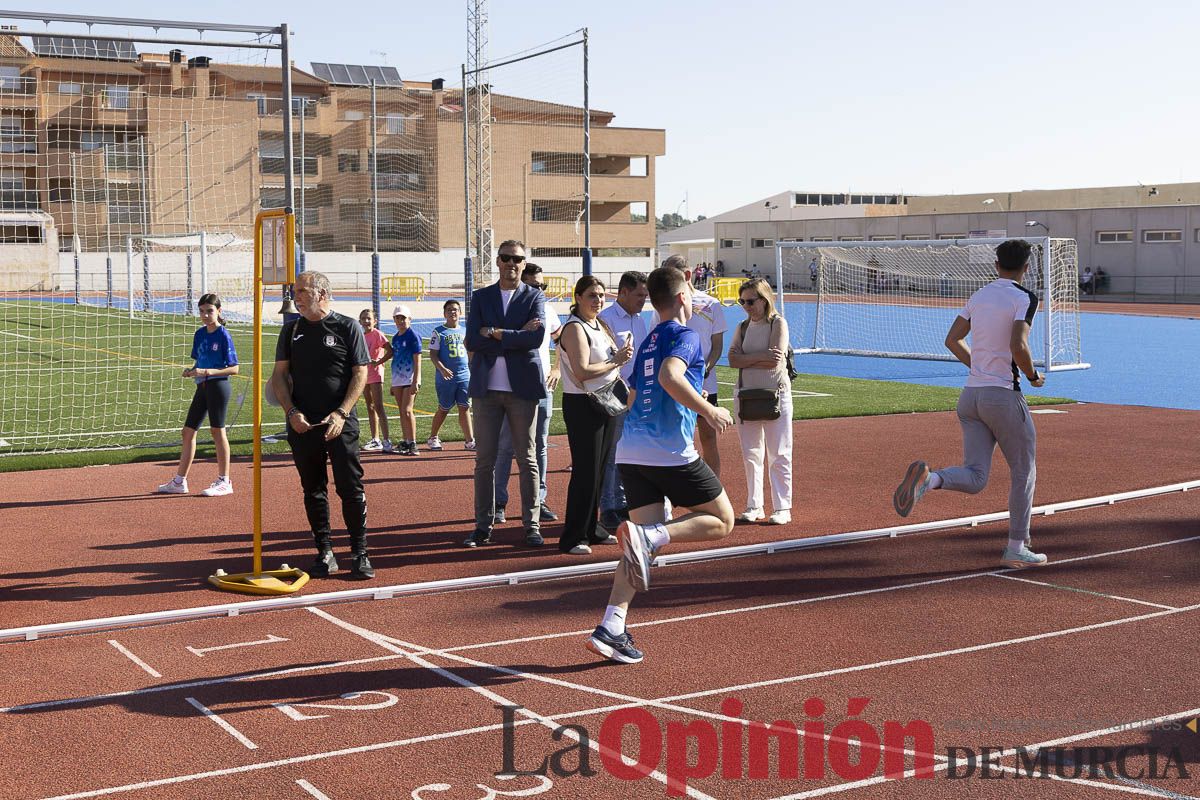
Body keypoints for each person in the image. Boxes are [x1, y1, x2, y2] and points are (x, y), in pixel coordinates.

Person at [585, 265, 736, 664]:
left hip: (631, 452)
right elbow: (671, 378)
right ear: (684, 297)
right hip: (667, 451)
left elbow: (632, 396)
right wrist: (708, 409)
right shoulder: (685, 336)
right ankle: (650, 537)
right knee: (722, 520)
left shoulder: (650, 339)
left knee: (638, 548)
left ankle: (611, 625)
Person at [893, 239, 1048, 569]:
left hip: (970, 397)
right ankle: (1016, 546)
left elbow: (952, 340)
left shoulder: (979, 295)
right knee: (1024, 471)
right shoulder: (1025, 298)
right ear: (1027, 267)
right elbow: (1018, 345)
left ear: (996, 264)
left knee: (976, 477)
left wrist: (977, 367)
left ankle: (930, 480)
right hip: (1003, 397)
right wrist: (1033, 376)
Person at [269, 271, 373, 579]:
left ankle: (359, 552)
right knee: (313, 489)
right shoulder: (291, 331)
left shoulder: (347, 326)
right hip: (303, 424)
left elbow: (360, 374)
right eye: (295, 291)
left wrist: (341, 413)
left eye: (302, 291)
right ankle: (324, 552)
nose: (295, 296)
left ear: (322, 293)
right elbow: (279, 377)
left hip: (340, 422)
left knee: (349, 487)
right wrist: (291, 412)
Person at [463, 239, 547, 548]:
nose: (511, 263)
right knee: (484, 461)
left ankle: (532, 525)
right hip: (486, 391)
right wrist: (514, 335)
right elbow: (472, 340)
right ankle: (483, 526)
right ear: (497, 261)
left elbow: (536, 339)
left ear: (524, 263)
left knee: (527, 460)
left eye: (517, 259)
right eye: (506, 258)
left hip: (522, 390)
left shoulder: (534, 296)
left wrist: (495, 332)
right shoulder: (482, 297)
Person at [557, 275, 634, 554]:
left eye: (601, 295)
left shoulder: (599, 324)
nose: (598, 300)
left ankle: (593, 528)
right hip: (583, 405)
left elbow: (607, 362)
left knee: (600, 470)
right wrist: (616, 360)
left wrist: (619, 356)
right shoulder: (575, 328)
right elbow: (582, 371)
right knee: (585, 472)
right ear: (577, 297)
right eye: (592, 295)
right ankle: (573, 536)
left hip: (607, 401)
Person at [494, 263, 561, 523]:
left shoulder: (549, 310)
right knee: (506, 447)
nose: (539, 291)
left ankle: (538, 500)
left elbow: (560, 341)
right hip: (513, 385)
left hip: (542, 387)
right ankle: (498, 502)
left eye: (542, 286)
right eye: (534, 286)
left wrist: (555, 369)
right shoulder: (508, 308)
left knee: (540, 446)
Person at [156, 292, 240, 496]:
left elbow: (234, 368)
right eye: (201, 311)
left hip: (218, 386)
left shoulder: (223, 335)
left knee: (217, 432)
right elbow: (200, 360)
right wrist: (192, 370)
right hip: (202, 386)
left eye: (209, 311)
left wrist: (208, 372)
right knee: (187, 432)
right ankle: (179, 481)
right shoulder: (200, 334)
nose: (205, 315)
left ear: (219, 312)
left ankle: (224, 481)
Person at [728, 279, 792, 525]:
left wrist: (747, 358)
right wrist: (759, 357)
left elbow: (774, 361)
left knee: (779, 453)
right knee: (751, 454)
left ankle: (782, 507)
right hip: (746, 395)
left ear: (764, 300)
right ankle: (754, 505)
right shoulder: (742, 327)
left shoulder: (778, 323)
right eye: (742, 301)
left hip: (776, 395)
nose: (746, 306)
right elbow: (732, 360)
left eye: (751, 301)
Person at [664, 254, 727, 478]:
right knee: (678, 438)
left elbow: (717, 346)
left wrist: (704, 369)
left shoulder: (711, 304)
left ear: (688, 275)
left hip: (706, 384)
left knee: (709, 439)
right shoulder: (665, 306)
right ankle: (675, 493)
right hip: (676, 385)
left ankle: (713, 489)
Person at [596, 270, 649, 531]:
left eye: (646, 295)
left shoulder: (640, 320)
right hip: (616, 397)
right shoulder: (605, 319)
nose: (644, 299)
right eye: (639, 294)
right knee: (612, 456)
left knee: (631, 454)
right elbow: (604, 362)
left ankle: (624, 503)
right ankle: (608, 508)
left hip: (638, 396)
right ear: (623, 292)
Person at [427, 299, 475, 451]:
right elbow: (433, 355)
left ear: (460, 313)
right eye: (449, 310)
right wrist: (442, 369)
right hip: (446, 377)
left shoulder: (465, 330)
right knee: (444, 408)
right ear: (444, 313)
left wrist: (471, 368)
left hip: (464, 376)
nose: (452, 312)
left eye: (455, 309)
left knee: (465, 407)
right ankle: (433, 437)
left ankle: (469, 441)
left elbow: (470, 351)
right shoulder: (438, 332)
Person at [387, 304, 422, 456]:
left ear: (409, 319)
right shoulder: (395, 338)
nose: (401, 321)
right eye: (398, 318)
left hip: (409, 378)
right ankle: (406, 441)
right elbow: (396, 359)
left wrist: (416, 380)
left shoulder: (413, 336)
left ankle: (413, 443)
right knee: (402, 412)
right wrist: (392, 383)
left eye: (403, 318)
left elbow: (417, 360)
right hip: (397, 380)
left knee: (407, 410)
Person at [358, 309, 393, 453]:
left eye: (369, 319)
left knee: (379, 406)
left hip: (375, 374)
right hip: (364, 374)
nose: (366, 321)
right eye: (363, 319)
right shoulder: (360, 335)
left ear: (375, 321)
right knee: (370, 406)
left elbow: (390, 351)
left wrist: (378, 362)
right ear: (359, 321)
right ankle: (375, 439)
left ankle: (386, 440)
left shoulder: (378, 334)